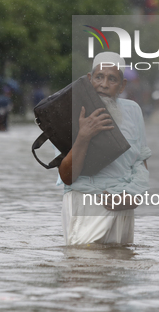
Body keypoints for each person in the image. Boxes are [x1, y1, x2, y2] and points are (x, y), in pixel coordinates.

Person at [56, 52, 151, 245]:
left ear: (122, 85)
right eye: (99, 77)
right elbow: (67, 176)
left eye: (112, 79)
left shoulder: (133, 110)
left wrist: (131, 198)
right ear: (89, 80)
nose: (104, 84)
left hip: (123, 204)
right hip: (85, 203)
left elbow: (141, 163)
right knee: (84, 267)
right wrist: (83, 136)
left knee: (119, 265)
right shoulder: (70, 112)